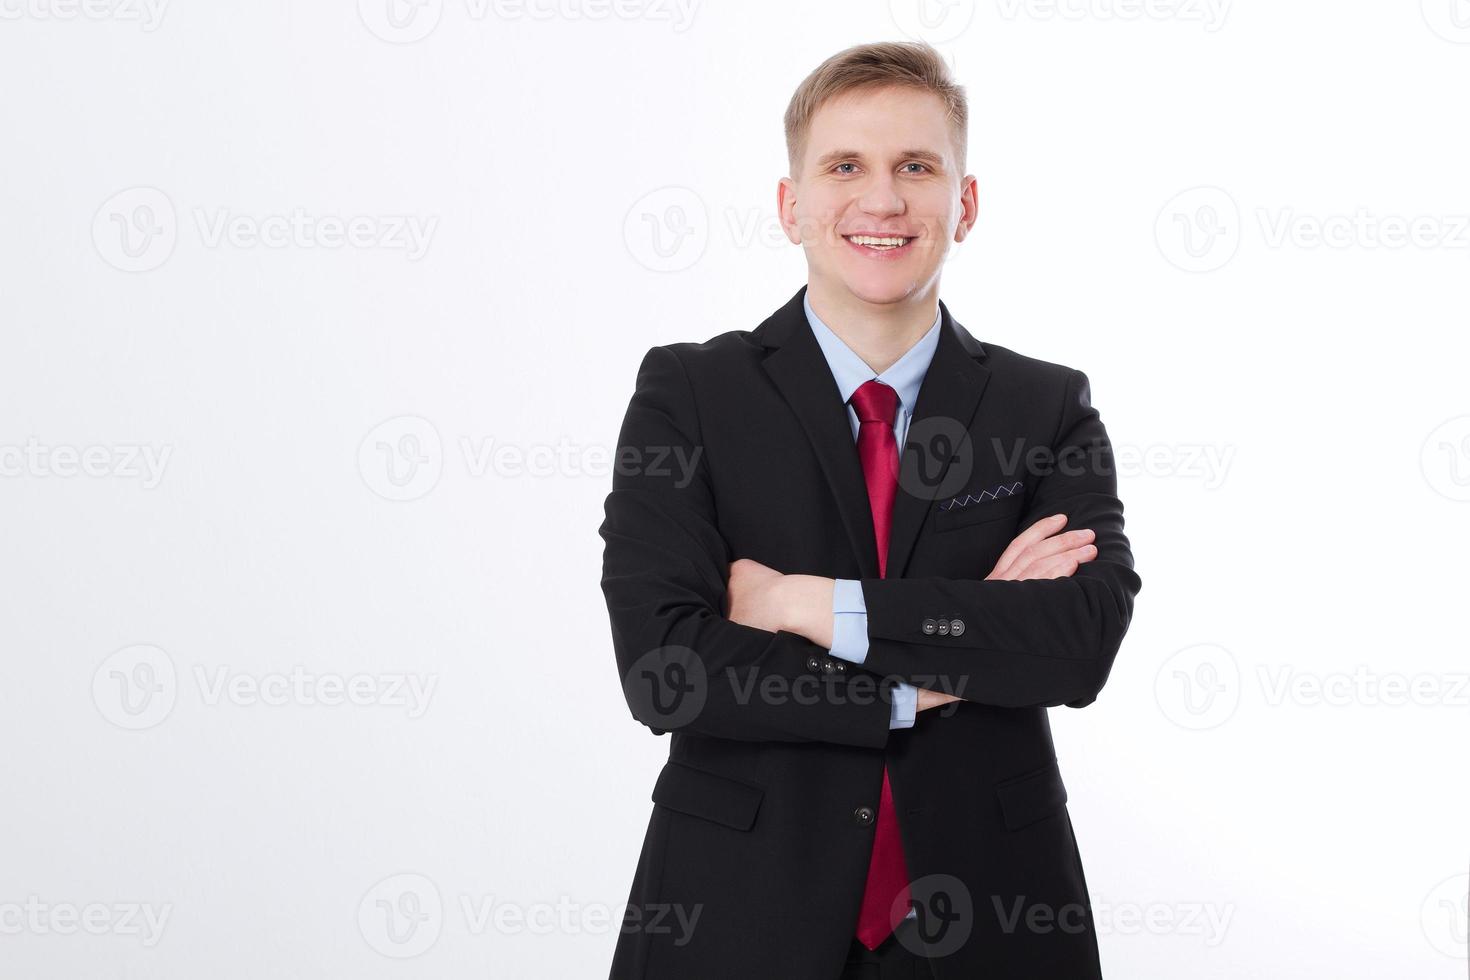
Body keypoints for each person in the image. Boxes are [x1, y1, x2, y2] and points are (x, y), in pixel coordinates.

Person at [599, 39, 1141, 980]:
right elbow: (665, 669)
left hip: (996, 918)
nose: (883, 200)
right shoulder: (690, 392)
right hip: (736, 911)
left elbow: (1076, 642)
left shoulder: (1045, 406)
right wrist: (931, 679)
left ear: (963, 205)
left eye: (917, 168)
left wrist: (805, 604)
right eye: (845, 165)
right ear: (791, 205)